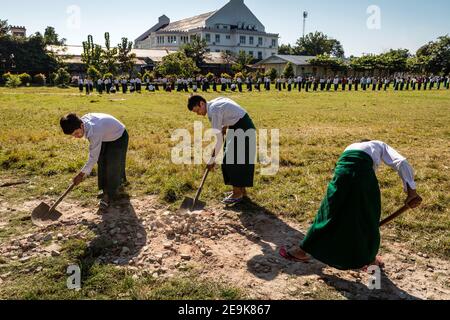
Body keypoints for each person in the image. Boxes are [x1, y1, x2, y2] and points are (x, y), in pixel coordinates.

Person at [280, 140, 422, 270]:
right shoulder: (379, 144)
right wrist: (411, 192)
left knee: (329, 214)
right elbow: (401, 162)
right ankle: (371, 260)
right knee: (368, 218)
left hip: (341, 173)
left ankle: (300, 251)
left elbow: (350, 170)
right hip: (363, 174)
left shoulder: (350, 147)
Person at [188, 96, 256, 204]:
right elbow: (230, 109)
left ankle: (237, 194)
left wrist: (211, 160)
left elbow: (218, 141)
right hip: (238, 125)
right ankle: (241, 191)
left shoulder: (214, 111)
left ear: (201, 103)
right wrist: (225, 126)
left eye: (197, 110)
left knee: (231, 159)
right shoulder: (214, 103)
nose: (198, 114)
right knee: (234, 159)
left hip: (243, 128)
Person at [60, 113, 129, 209]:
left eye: (76, 133)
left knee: (113, 164)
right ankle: (103, 190)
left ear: (81, 125)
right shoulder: (82, 123)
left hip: (118, 136)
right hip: (105, 136)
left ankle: (110, 194)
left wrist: (81, 175)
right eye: (73, 135)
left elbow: (93, 157)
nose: (76, 136)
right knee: (101, 162)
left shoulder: (95, 130)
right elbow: (95, 156)